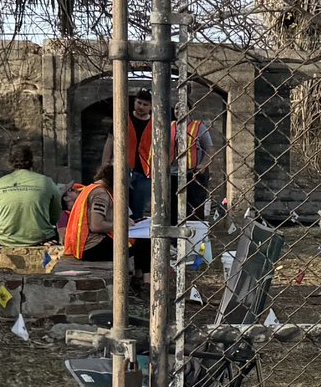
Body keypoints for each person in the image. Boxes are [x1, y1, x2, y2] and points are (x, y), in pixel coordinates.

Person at [127, 83, 216, 225]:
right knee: (172, 208)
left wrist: (203, 164)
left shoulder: (198, 127)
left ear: (189, 110)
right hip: (173, 174)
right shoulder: (170, 126)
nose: (178, 111)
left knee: (193, 208)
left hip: (192, 174)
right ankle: (174, 240)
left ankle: (192, 236)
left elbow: (209, 149)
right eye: (176, 108)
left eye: (182, 108)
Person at [0, 143, 61, 248]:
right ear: (32, 162)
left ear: (11, 162)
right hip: (41, 238)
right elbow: (55, 216)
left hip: (6, 240)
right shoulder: (47, 182)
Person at [59, 167, 114, 261]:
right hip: (92, 247)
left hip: (83, 247)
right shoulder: (100, 193)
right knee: (141, 242)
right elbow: (96, 226)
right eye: (71, 190)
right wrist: (122, 225)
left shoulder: (89, 189)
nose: (77, 189)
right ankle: (141, 275)